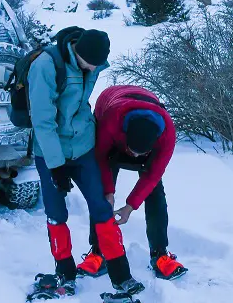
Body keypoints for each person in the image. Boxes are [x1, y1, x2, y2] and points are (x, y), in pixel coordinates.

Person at [27, 27, 143, 302]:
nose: (95, 69)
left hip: (83, 148)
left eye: (98, 65)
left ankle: (120, 273)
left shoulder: (93, 64)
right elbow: (42, 121)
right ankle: (65, 271)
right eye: (91, 63)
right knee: (56, 212)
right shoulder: (46, 66)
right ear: (78, 52)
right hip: (51, 151)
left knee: (101, 207)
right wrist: (56, 167)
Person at [75, 84, 187, 281]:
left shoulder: (167, 134)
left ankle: (160, 255)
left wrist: (130, 206)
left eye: (139, 154)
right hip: (112, 120)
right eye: (132, 150)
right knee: (100, 191)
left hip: (141, 125)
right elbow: (100, 159)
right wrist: (108, 192)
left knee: (155, 191)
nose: (134, 156)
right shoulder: (111, 121)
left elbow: (152, 175)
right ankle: (97, 252)